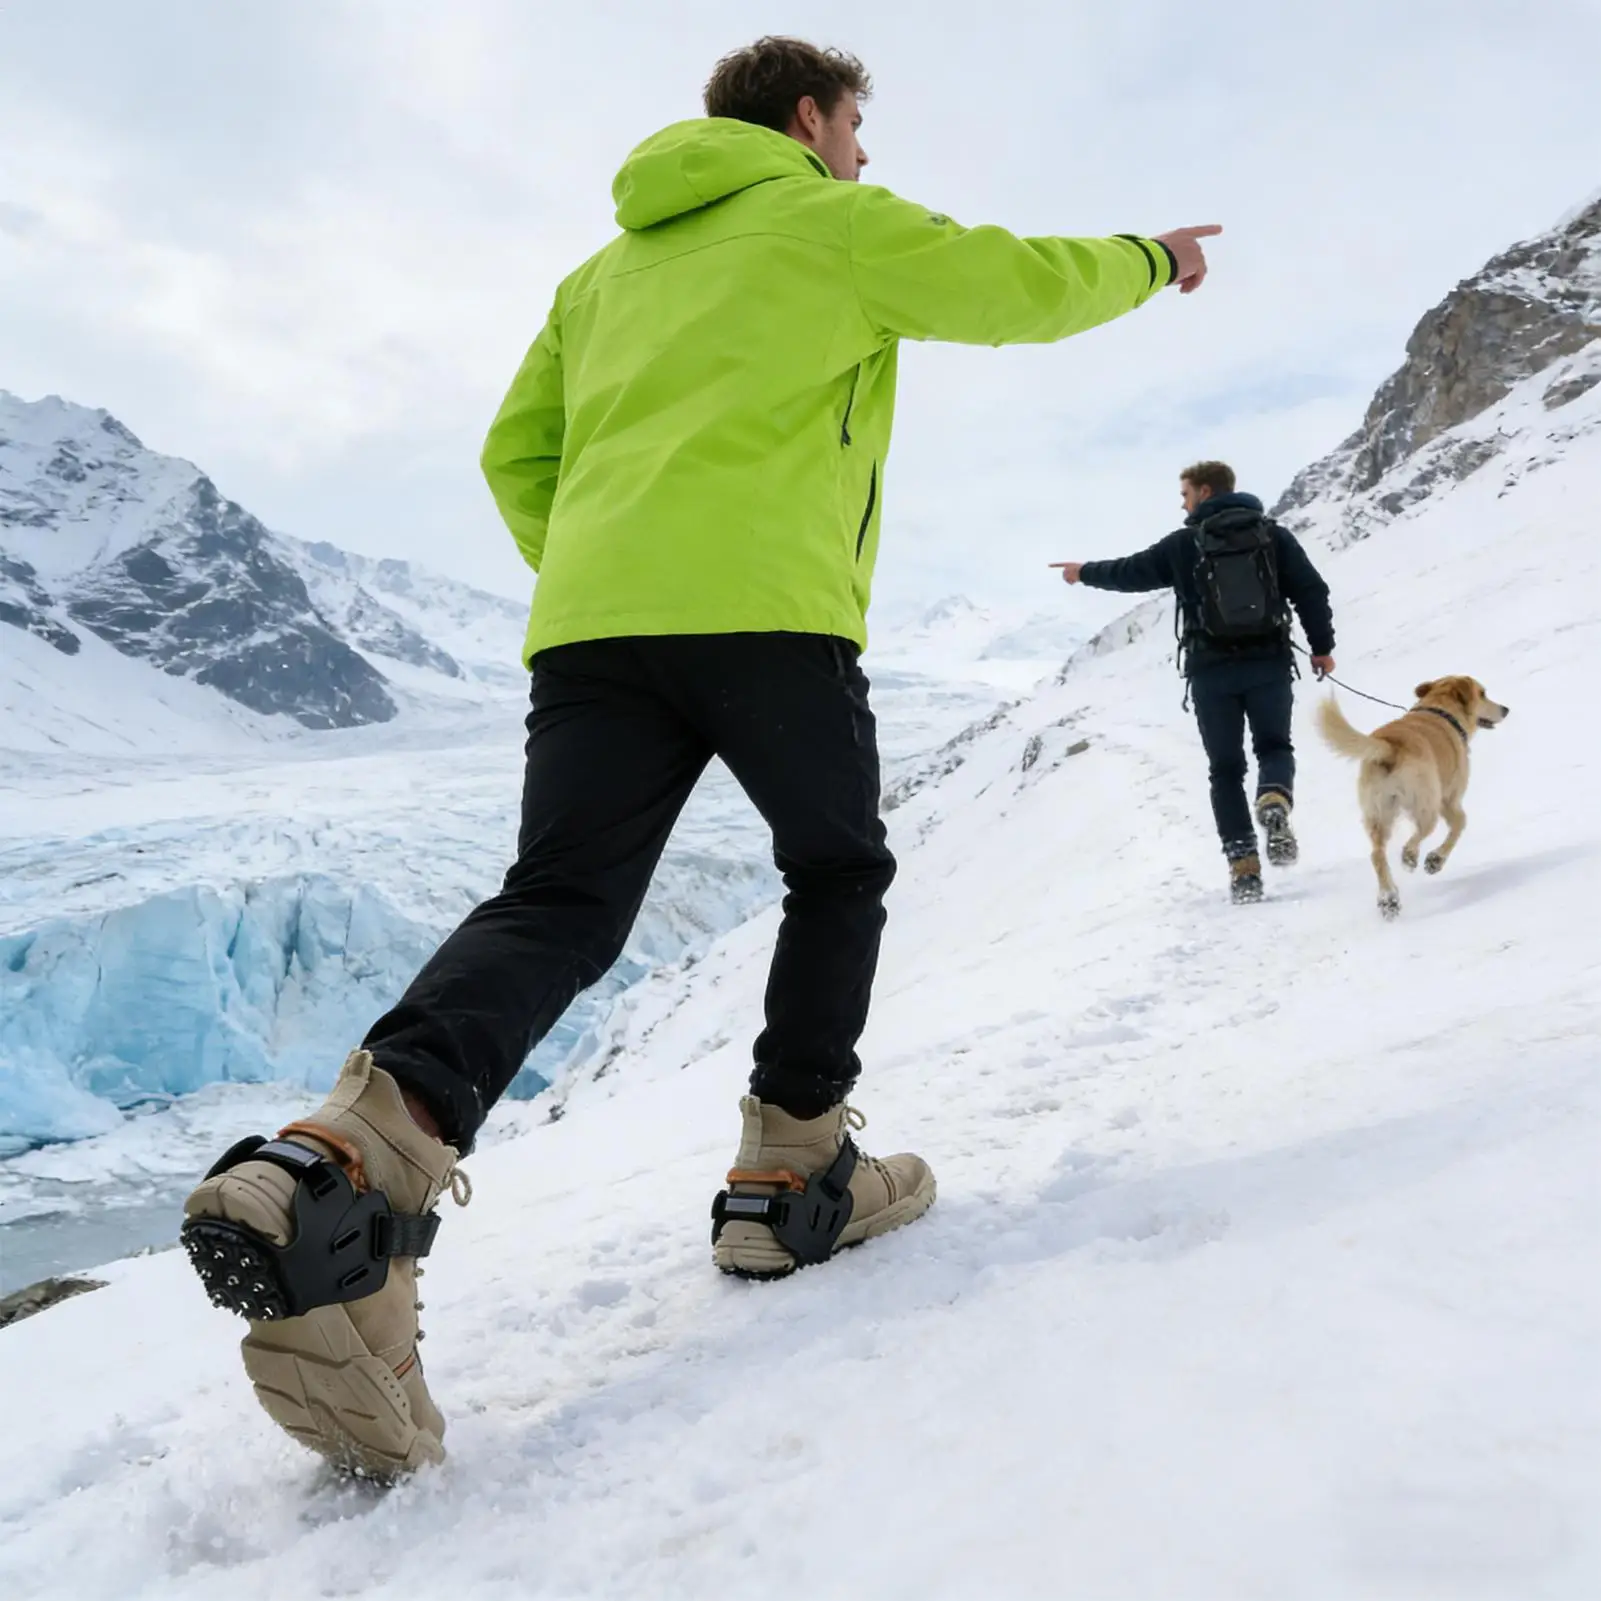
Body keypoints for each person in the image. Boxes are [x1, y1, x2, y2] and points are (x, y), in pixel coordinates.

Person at [182, 35, 1223, 1478]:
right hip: (773, 620)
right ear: (809, 118)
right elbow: (1012, 285)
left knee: (557, 903)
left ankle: (349, 1156)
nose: (864, 151)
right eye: (856, 125)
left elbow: (513, 456)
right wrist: (1150, 259)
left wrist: (613, 574)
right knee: (838, 867)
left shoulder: (597, 278)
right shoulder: (829, 218)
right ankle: (789, 1167)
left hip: (595, 631)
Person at [1052, 461, 1335, 904]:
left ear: (1204, 491)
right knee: (1274, 748)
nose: (1182, 504)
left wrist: (1084, 571)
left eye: (1184, 495)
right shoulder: (1272, 535)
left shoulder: (1184, 544)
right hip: (1269, 665)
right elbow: (1311, 591)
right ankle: (1275, 798)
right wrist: (1321, 647)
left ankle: (1243, 868)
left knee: (1225, 770)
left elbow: (1131, 572)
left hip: (1211, 673)